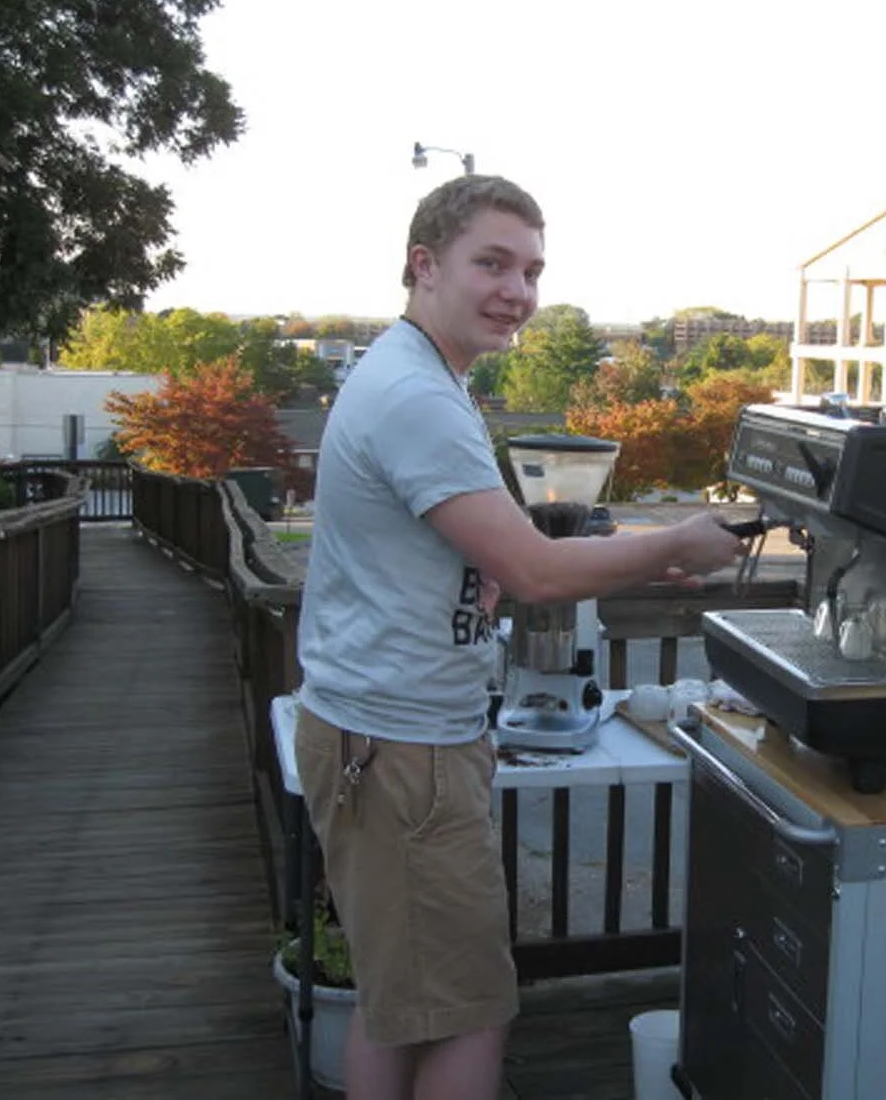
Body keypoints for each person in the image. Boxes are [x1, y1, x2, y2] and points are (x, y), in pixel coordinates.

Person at [292, 174, 744, 1100]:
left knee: (401, 1004)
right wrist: (679, 541)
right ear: (424, 265)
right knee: (469, 1010)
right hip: (401, 750)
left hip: (383, 738)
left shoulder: (419, 377)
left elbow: (495, 558)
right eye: (492, 263)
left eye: (533, 270)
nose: (519, 292)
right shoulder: (417, 397)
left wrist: (631, 560)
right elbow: (538, 572)